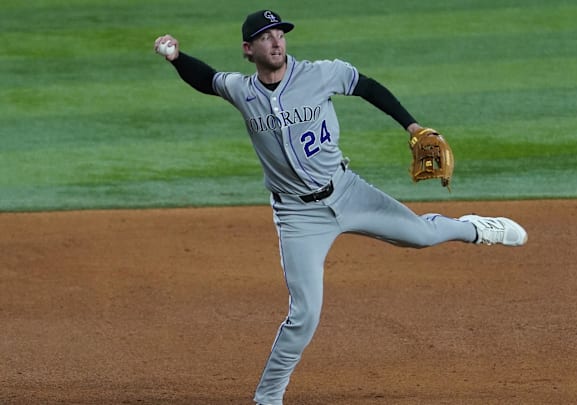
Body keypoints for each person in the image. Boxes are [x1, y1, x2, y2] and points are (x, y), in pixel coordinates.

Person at [154, 9, 527, 405]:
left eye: (280, 33)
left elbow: (367, 86)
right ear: (249, 49)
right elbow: (206, 79)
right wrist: (177, 57)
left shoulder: (320, 73)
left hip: (347, 191)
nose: (276, 41)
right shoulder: (241, 90)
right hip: (299, 217)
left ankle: (475, 229)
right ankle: (268, 398)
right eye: (266, 37)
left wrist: (412, 126)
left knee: (421, 235)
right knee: (305, 315)